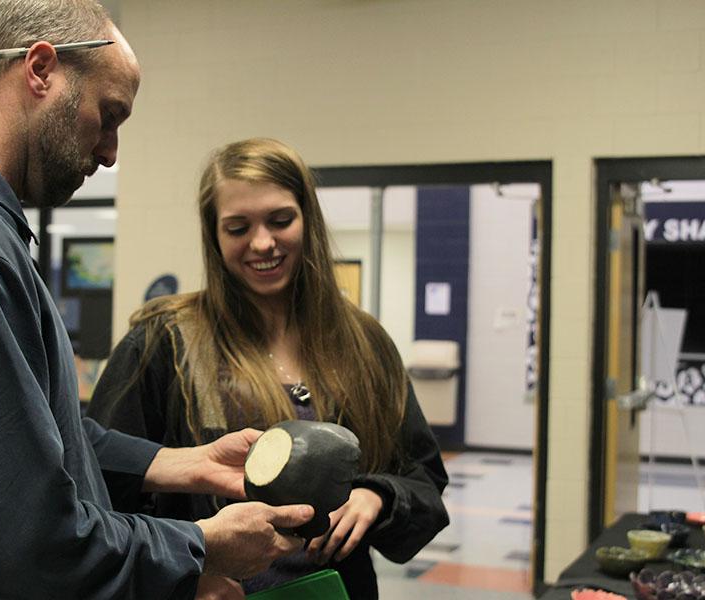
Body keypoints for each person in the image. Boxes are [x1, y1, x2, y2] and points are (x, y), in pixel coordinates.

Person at [0, 3, 313, 599]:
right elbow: (25, 549)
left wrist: (175, 463)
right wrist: (201, 545)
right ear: (40, 69)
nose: (109, 152)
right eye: (108, 116)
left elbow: (16, 443)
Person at [87, 137, 451, 599]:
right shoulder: (164, 342)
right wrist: (184, 575)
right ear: (214, 236)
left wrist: (377, 496)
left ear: (307, 220)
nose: (262, 243)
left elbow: (424, 478)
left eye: (280, 221)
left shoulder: (364, 343)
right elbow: (99, 490)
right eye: (238, 228)